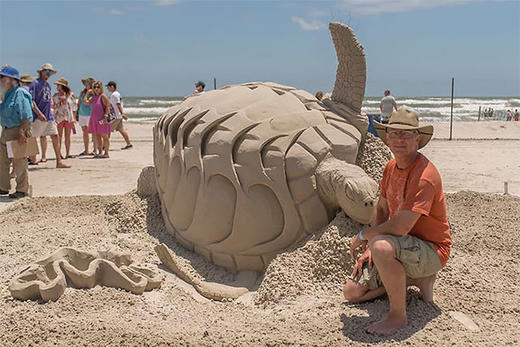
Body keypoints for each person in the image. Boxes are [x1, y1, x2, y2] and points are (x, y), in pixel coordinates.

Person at [344, 107, 451, 336]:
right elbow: (381, 208)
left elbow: (401, 227)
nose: (399, 139)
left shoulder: (425, 176)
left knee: (381, 246)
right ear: (387, 137)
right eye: (394, 133)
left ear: (417, 138)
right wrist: (370, 246)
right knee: (352, 292)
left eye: (406, 134)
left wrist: (366, 237)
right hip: (401, 244)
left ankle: (397, 316)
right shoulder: (390, 168)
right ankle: (414, 280)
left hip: (432, 250)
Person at [0, 66, 33, 199]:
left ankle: (22, 189)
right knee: (2, 161)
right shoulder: (6, 94)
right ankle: (3, 187)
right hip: (6, 131)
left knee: (19, 161)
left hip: (17, 130)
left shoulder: (20, 93)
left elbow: (26, 115)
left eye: (2, 77)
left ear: (11, 79)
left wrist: (21, 133)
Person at [28, 63, 70, 168]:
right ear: (41, 72)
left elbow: (48, 101)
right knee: (31, 138)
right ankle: (24, 163)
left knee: (55, 136)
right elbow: (32, 101)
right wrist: (39, 113)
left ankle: (59, 161)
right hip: (38, 116)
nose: (48, 73)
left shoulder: (48, 85)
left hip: (48, 116)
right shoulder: (35, 83)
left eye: (50, 72)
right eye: (46, 71)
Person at [52, 78, 77, 159]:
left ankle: (68, 153)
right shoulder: (56, 96)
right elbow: (54, 107)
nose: (57, 86)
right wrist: (60, 103)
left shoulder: (71, 95)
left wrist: (74, 118)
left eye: (59, 85)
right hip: (59, 117)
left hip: (68, 117)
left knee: (68, 136)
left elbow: (74, 107)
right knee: (59, 136)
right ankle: (59, 154)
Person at [85, 81, 111, 158]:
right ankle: (100, 152)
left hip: (102, 119)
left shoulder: (103, 96)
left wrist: (106, 116)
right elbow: (86, 102)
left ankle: (106, 153)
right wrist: (87, 93)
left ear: (101, 88)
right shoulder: (93, 97)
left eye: (98, 87)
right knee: (97, 136)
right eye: (95, 87)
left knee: (104, 136)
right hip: (94, 119)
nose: (96, 89)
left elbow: (108, 106)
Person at [106, 81, 132, 150]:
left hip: (116, 116)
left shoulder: (114, 95)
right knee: (121, 130)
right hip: (118, 116)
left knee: (107, 130)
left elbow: (118, 104)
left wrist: (122, 113)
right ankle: (129, 144)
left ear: (112, 87)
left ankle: (104, 145)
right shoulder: (116, 94)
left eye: (108, 87)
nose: (107, 88)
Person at [76, 77, 95, 156]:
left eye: (87, 83)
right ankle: (86, 149)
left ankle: (95, 149)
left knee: (93, 132)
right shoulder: (82, 92)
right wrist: (77, 112)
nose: (86, 85)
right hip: (82, 113)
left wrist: (88, 92)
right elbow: (80, 102)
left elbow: (87, 102)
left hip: (90, 114)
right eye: (85, 83)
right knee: (85, 132)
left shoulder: (93, 93)